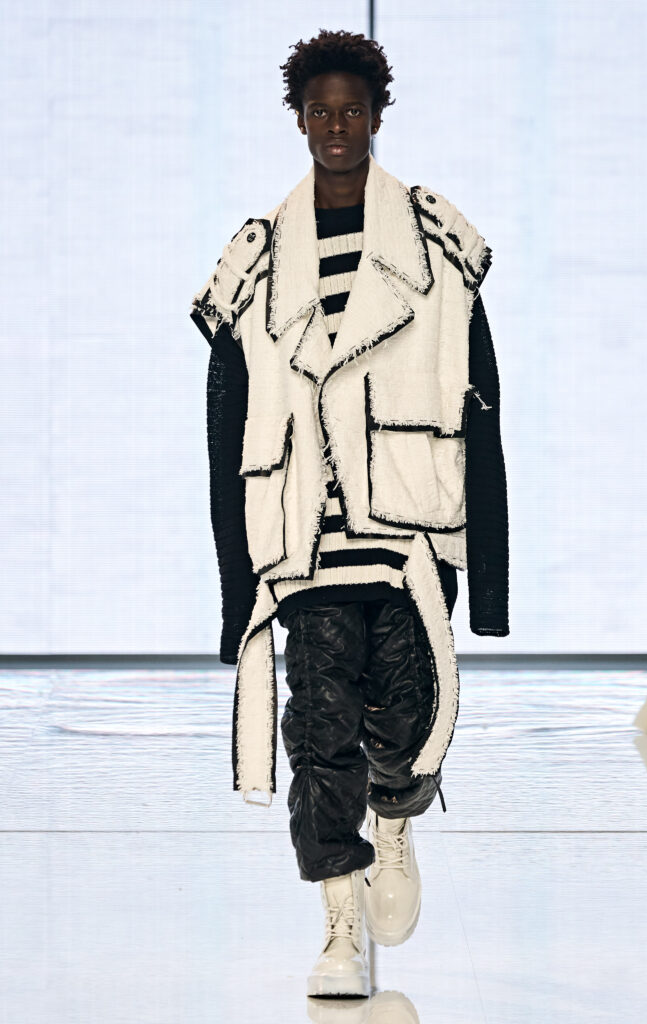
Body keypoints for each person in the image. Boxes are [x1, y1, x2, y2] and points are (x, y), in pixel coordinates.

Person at [190, 28, 509, 999]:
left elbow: (481, 401)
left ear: (376, 117)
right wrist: (235, 581)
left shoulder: (436, 244)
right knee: (317, 729)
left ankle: (397, 820)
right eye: (319, 110)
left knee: (405, 713)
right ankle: (337, 917)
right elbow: (224, 416)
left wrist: (490, 576)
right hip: (305, 530)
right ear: (298, 120)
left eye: (352, 109)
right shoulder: (255, 261)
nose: (336, 125)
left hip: (409, 524)